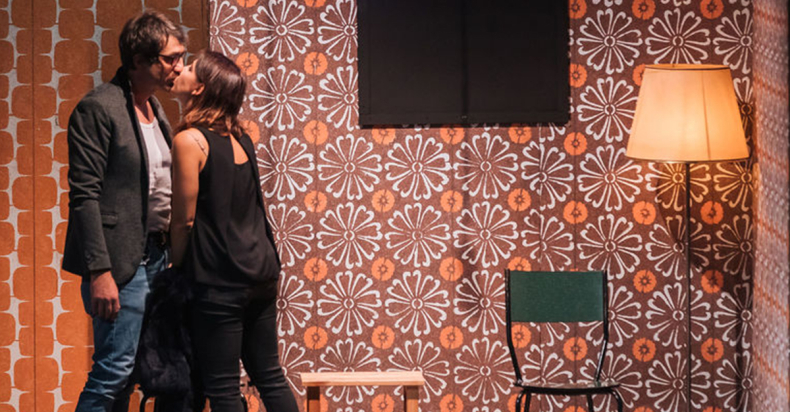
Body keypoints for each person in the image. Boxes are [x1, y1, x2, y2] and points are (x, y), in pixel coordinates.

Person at [61, 10, 186, 412]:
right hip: (120, 263)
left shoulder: (155, 109)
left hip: (156, 256)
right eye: (170, 58)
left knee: (135, 373)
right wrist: (100, 272)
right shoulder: (98, 108)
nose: (179, 66)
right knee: (114, 370)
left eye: (180, 57)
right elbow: (84, 196)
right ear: (139, 60)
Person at [169, 50, 299, 412]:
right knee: (270, 376)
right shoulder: (241, 139)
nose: (180, 69)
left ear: (200, 88)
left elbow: (184, 221)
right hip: (260, 272)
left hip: (219, 279)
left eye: (189, 67)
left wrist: (176, 267)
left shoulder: (189, 141)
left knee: (223, 387)